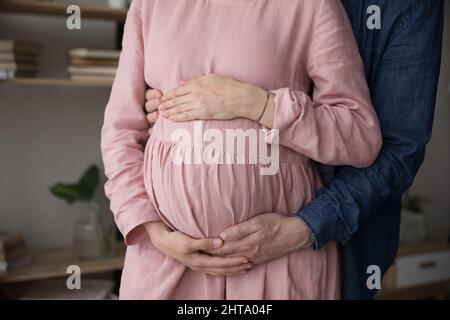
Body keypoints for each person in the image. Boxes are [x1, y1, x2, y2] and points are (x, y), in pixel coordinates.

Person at [143, 0, 444, 299]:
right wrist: (170, 97)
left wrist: (304, 228)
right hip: (177, 258)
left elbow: (397, 149)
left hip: (331, 237)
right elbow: (126, 123)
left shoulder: (403, 7)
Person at [101, 0, 382, 299]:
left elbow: (361, 136)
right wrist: (152, 230)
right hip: (165, 260)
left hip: (278, 257)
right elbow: (120, 130)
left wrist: (259, 105)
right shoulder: (150, 5)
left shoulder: (311, 6)